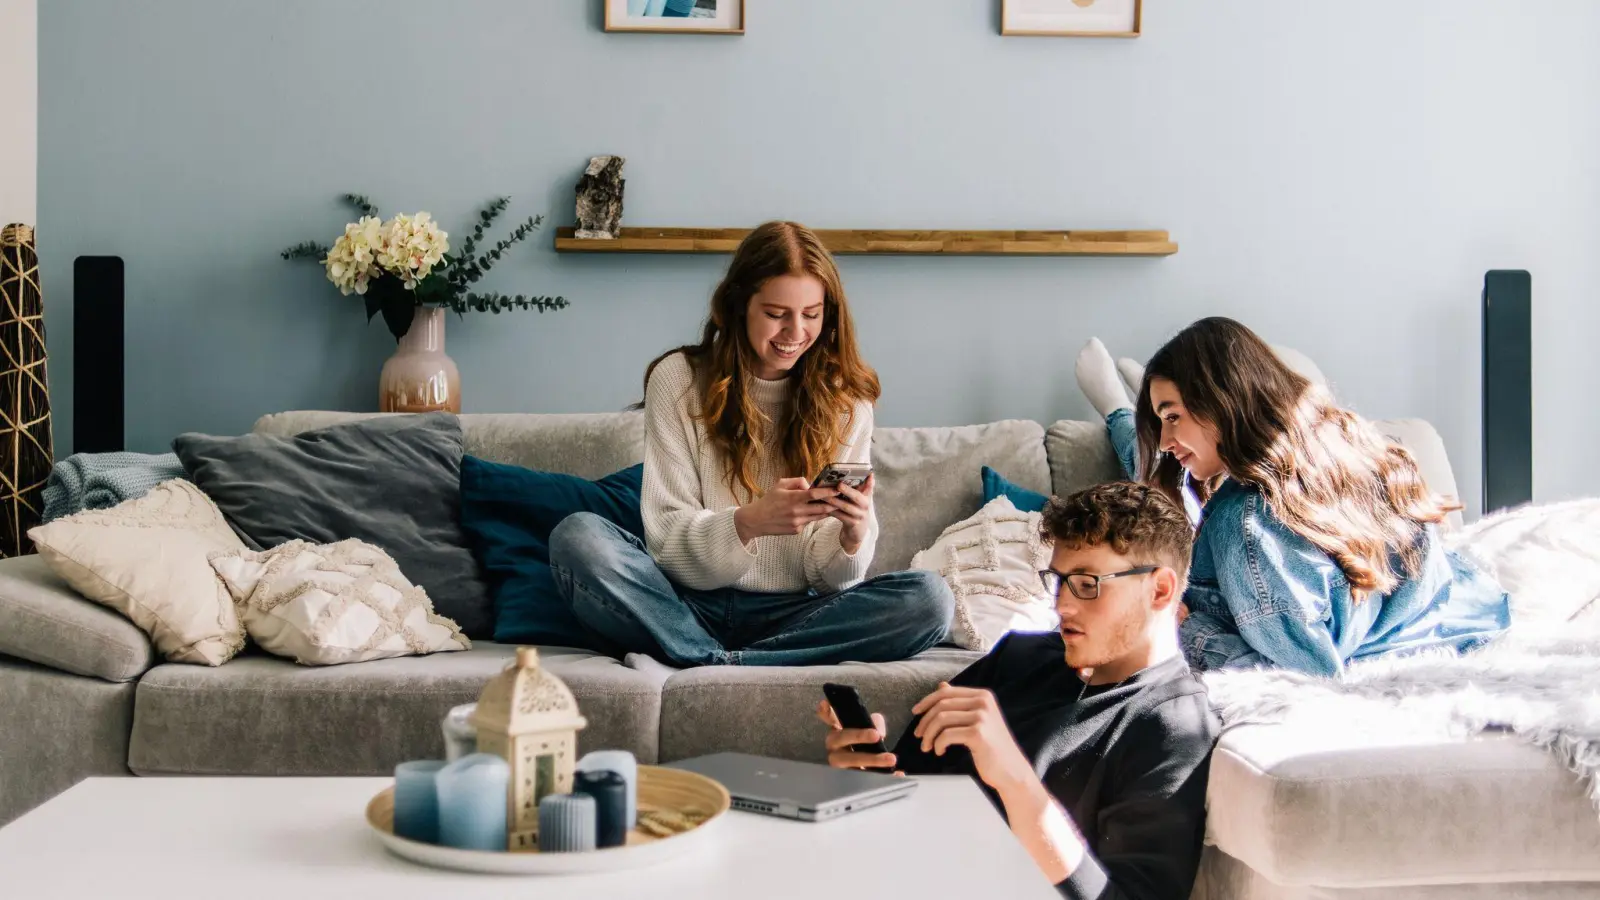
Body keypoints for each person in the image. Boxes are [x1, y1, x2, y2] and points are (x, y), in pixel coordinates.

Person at [548, 221, 953, 667]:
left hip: (793, 615)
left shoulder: (847, 401)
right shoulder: (679, 380)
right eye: (777, 314)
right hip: (683, 604)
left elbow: (828, 578)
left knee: (930, 600)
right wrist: (750, 522)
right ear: (739, 305)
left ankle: (715, 662)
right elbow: (667, 545)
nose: (794, 332)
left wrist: (852, 537)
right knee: (579, 538)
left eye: (811, 314)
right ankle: (722, 656)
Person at [818, 482, 1220, 900]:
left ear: (1160, 590)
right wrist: (864, 773)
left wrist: (1014, 778)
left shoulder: (1172, 726)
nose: (1062, 605)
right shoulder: (1021, 656)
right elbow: (905, 784)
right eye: (1059, 580)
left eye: (1086, 584)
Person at [1075, 318, 1510, 677]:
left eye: (1172, 416)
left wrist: (1177, 628)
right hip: (1469, 615)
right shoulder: (1337, 443)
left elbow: (1300, 680)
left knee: (1162, 490)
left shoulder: (1242, 524)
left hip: (1416, 634)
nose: (1167, 438)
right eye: (1160, 419)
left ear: (1222, 401)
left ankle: (1120, 408)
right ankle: (1122, 409)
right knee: (1164, 480)